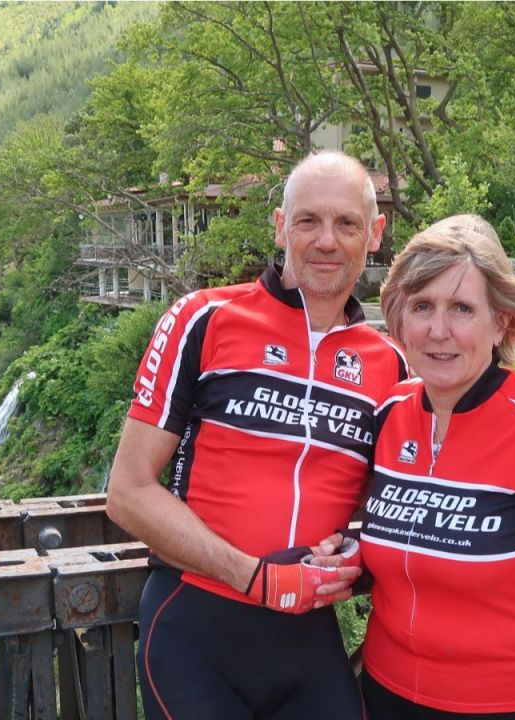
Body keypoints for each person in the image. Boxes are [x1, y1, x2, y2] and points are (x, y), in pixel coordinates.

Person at [105, 150, 409, 720]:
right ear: (279, 226)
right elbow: (127, 493)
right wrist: (257, 579)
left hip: (309, 639)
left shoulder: (390, 364)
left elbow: (400, 508)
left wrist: (356, 553)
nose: (326, 240)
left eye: (346, 223)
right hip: (195, 632)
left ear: (374, 234)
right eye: (308, 220)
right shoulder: (202, 319)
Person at [360, 216, 515, 720]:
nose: (438, 330)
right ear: (400, 319)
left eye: (462, 309)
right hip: (385, 693)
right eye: (422, 306)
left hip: (507, 703)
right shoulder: (387, 414)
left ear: (500, 323)